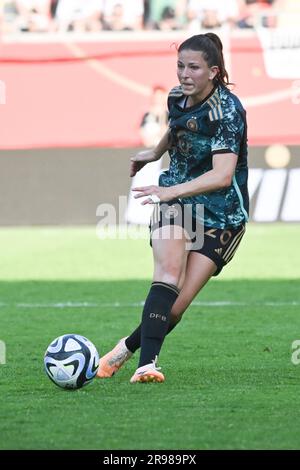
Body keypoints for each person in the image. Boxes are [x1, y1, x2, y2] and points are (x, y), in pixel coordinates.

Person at [97, 33, 249, 384]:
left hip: (222, 213)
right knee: (167, 272)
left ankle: (124, 349)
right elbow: (176, 128)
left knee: (174, 308)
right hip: (177, 199)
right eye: (180, 66)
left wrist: (171, 191)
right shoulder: (176, 96)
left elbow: (223, 175)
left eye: (193, 67)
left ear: (212, 72)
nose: (184, 74)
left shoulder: (228, 110)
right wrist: (154, 153)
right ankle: (147, 365)